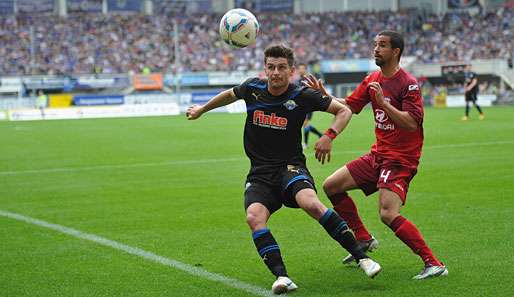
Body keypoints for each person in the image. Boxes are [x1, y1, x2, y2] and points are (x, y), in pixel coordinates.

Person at [187, 45, 381, 294]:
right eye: (271, 67)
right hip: (260, 173)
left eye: (281, 68)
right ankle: (282, 277)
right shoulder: (253, 88)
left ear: (291, 71)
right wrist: (202, 109)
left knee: (311, 203)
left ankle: (362, 258)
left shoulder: (302, 95)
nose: (275, 73)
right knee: (254, 218)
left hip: (291, 167)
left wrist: (329, 136)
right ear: (265, 68)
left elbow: (344, 110)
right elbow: (230, 94)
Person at [304, 31, 448, 280]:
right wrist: (324, 96)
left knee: (387, 213)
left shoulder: (409, 84)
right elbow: (350, 105)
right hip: (378, 155)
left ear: (396, 52)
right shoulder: (372, 79)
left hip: (401, 159)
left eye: (382, 45)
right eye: (375, 45)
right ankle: (363, 238)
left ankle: (434, 263)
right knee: (332, 186)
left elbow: (412, 123)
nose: (376, 49)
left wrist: (384, 102)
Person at [295, 63, 323, 149]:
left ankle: (305, 144)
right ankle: (320, 134)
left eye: (302, 69)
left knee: (305, 123)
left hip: (309, 104)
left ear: (305, 70)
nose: (301, 70)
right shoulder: (298, 80)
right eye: (299, 69)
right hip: (301, 105)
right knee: (305, 124)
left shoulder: (308, 80)